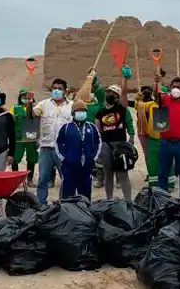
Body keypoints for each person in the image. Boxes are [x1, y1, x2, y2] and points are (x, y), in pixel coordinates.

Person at [95, 70, 135, 200]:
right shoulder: (100, 112)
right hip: (106, 144)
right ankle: (109, 200)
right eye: (109, 92)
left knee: (123, 174)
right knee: (108, 174)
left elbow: (124, 92)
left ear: (117, 97)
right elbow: (99, 130)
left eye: (114, 93)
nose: (110, 94)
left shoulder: (121, 109)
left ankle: (129, 201)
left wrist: (125, 78)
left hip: (120, 144)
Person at [34, 78, 74, 204]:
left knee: (66, 178)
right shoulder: (43, 104)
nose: (56, 91)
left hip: (64, 150)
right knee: (42, 179)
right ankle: (41, 206)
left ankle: (64, 204)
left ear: (65, 91)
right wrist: (29, 103)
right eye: (54, 88)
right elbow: (32, 116)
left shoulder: (72, 106)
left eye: (59, 88)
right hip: (46, 147)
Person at [56, 100, 101, 199]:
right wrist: (65, 158)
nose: (81, 113)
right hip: (69, 166)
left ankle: (85, 211)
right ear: (73, 113)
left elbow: (98, 143)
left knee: (85, 193)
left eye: (83, 110)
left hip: (86, 166)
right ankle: (67, 211)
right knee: (67, 193)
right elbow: (58, 143)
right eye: (78, 110)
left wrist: (93, 158)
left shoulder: (92, 127)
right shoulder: (67, 127)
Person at [10, 88, 39, 185]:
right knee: (15, 158)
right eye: (23, 95)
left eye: (27, 95)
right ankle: (15, 180)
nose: (25, 97)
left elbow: (38, 118)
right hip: (18, 137)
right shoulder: (15, 108)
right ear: (20, 97)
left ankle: (29, 180)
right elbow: (9, 119)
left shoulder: (35, 107)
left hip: (31, 136)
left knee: (31, 158)